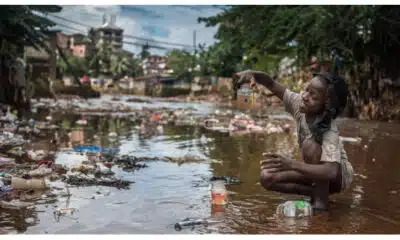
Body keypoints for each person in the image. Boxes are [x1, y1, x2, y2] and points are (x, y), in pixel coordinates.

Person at [234, 69, 354, 211]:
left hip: (339, 177)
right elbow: (271, 83)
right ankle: (315, 194)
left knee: (310, 147)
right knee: (267, 176)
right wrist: (252, 74)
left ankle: (321, 204)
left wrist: (291, 164)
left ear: (326, 107)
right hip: (320, 171)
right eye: (306, 89)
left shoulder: (329, 130)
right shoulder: (298, 103)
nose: (305, 96)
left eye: (313, 96)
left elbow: (331, 171)